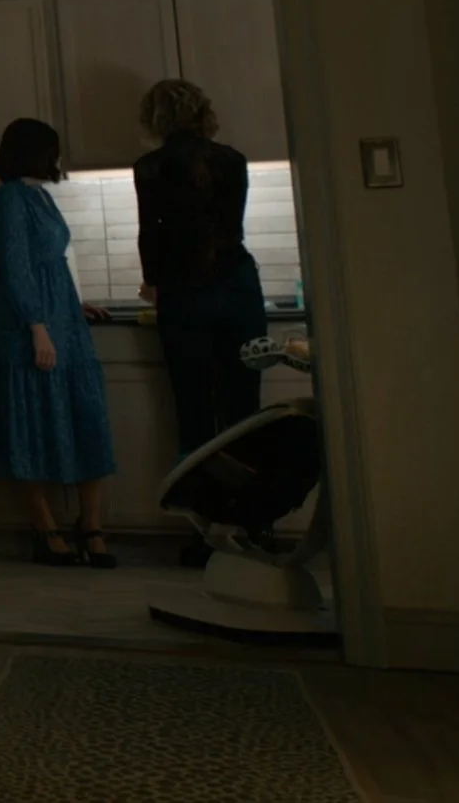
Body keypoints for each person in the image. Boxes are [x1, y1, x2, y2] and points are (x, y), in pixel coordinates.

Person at [134, 79, 267, 565]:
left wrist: (153, 281)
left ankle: (207, 536)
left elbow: (152, 232)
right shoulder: (233, 160)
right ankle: (253, 528)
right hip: (237, 286)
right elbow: (228, 225)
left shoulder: (150, 167)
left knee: (195, 415)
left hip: (185, 292)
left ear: (156, 118)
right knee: (245, 416)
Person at [0, 117, 119, 568]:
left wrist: (71, 304)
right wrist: (36, 325)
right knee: (31, 424)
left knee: (86, 416)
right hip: (30, 324)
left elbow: (48, 264)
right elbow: (15, 266)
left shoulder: (40, 195)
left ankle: (90, 525)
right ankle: (46, 530)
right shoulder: (9, 198)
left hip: (64, 318)